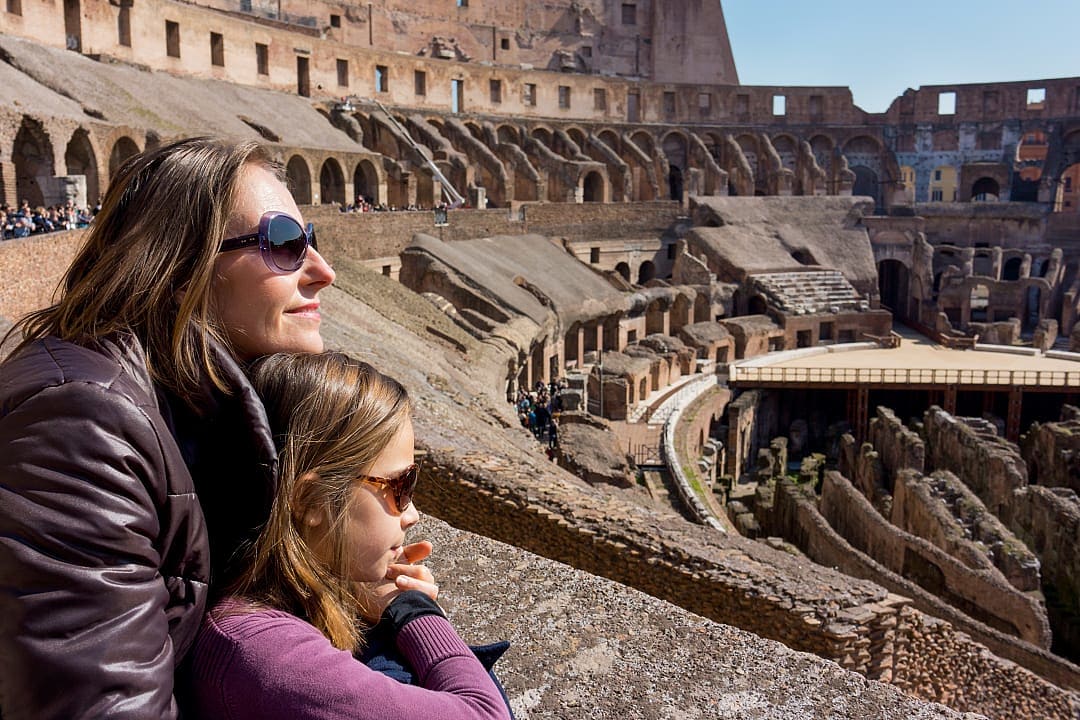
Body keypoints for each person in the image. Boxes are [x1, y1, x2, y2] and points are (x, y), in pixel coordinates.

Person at [0, 136, 336, 719]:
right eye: (284, 243)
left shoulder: (173, 398)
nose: (323, 271)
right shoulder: (81, 425)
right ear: (181, 264)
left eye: (312, 240)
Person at [188, 352, 512, 720]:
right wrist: (412, 611)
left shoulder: (266, 615)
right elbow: (486, 713)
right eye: (401, 486)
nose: (413, 514)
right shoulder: (264, 656)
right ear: (311, 501)